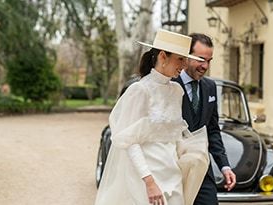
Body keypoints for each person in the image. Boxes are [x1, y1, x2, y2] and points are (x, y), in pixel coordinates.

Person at [94, 29, 208, 205]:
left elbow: (173, 136)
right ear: (163, 56)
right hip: (144, 179)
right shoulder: (139, 91)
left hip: (173, 175)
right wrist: (149, 182)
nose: (185, 65)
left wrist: (193, 156)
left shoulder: (177, 91)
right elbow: (129, 141)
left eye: (186, 59)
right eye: (180, 59)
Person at [174, 33, 237, 205]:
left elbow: (213, 130)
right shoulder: (169, 83)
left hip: (202, 168)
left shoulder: (210, 87)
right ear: (185, 56)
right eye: (200, 59)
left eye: (209, 61)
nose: (205, 66)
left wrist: (224, 166)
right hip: (172, 166)